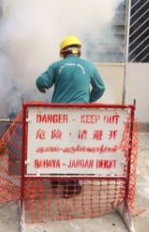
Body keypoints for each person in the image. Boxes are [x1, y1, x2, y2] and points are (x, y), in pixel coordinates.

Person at [36, 35, 105, 198]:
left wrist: (42, 88)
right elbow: (100, 88)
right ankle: (72, 185)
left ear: (63, 52)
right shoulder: (89, 66)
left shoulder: (56, 66)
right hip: (80, 116)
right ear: (79, 52)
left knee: (58, 146)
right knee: (75, 148)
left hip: (58, 116)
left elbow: (41, 81)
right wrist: (88, 100)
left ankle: (56, 178)